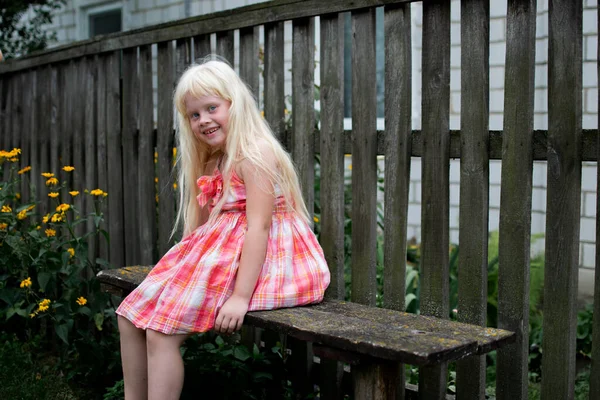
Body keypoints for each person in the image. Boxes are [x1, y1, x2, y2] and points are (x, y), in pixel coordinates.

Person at [115, 58, 330, 400]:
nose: (204, 120)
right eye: (195, 115)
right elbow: (201, 227)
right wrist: (180, 269)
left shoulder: (254, 154)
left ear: (235, 103)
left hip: (269, 263)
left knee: (160, 332)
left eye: (212, 107)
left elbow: (258, 226)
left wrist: (240, 298)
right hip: (227, 255)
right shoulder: (214, 159)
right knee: (129, 316)